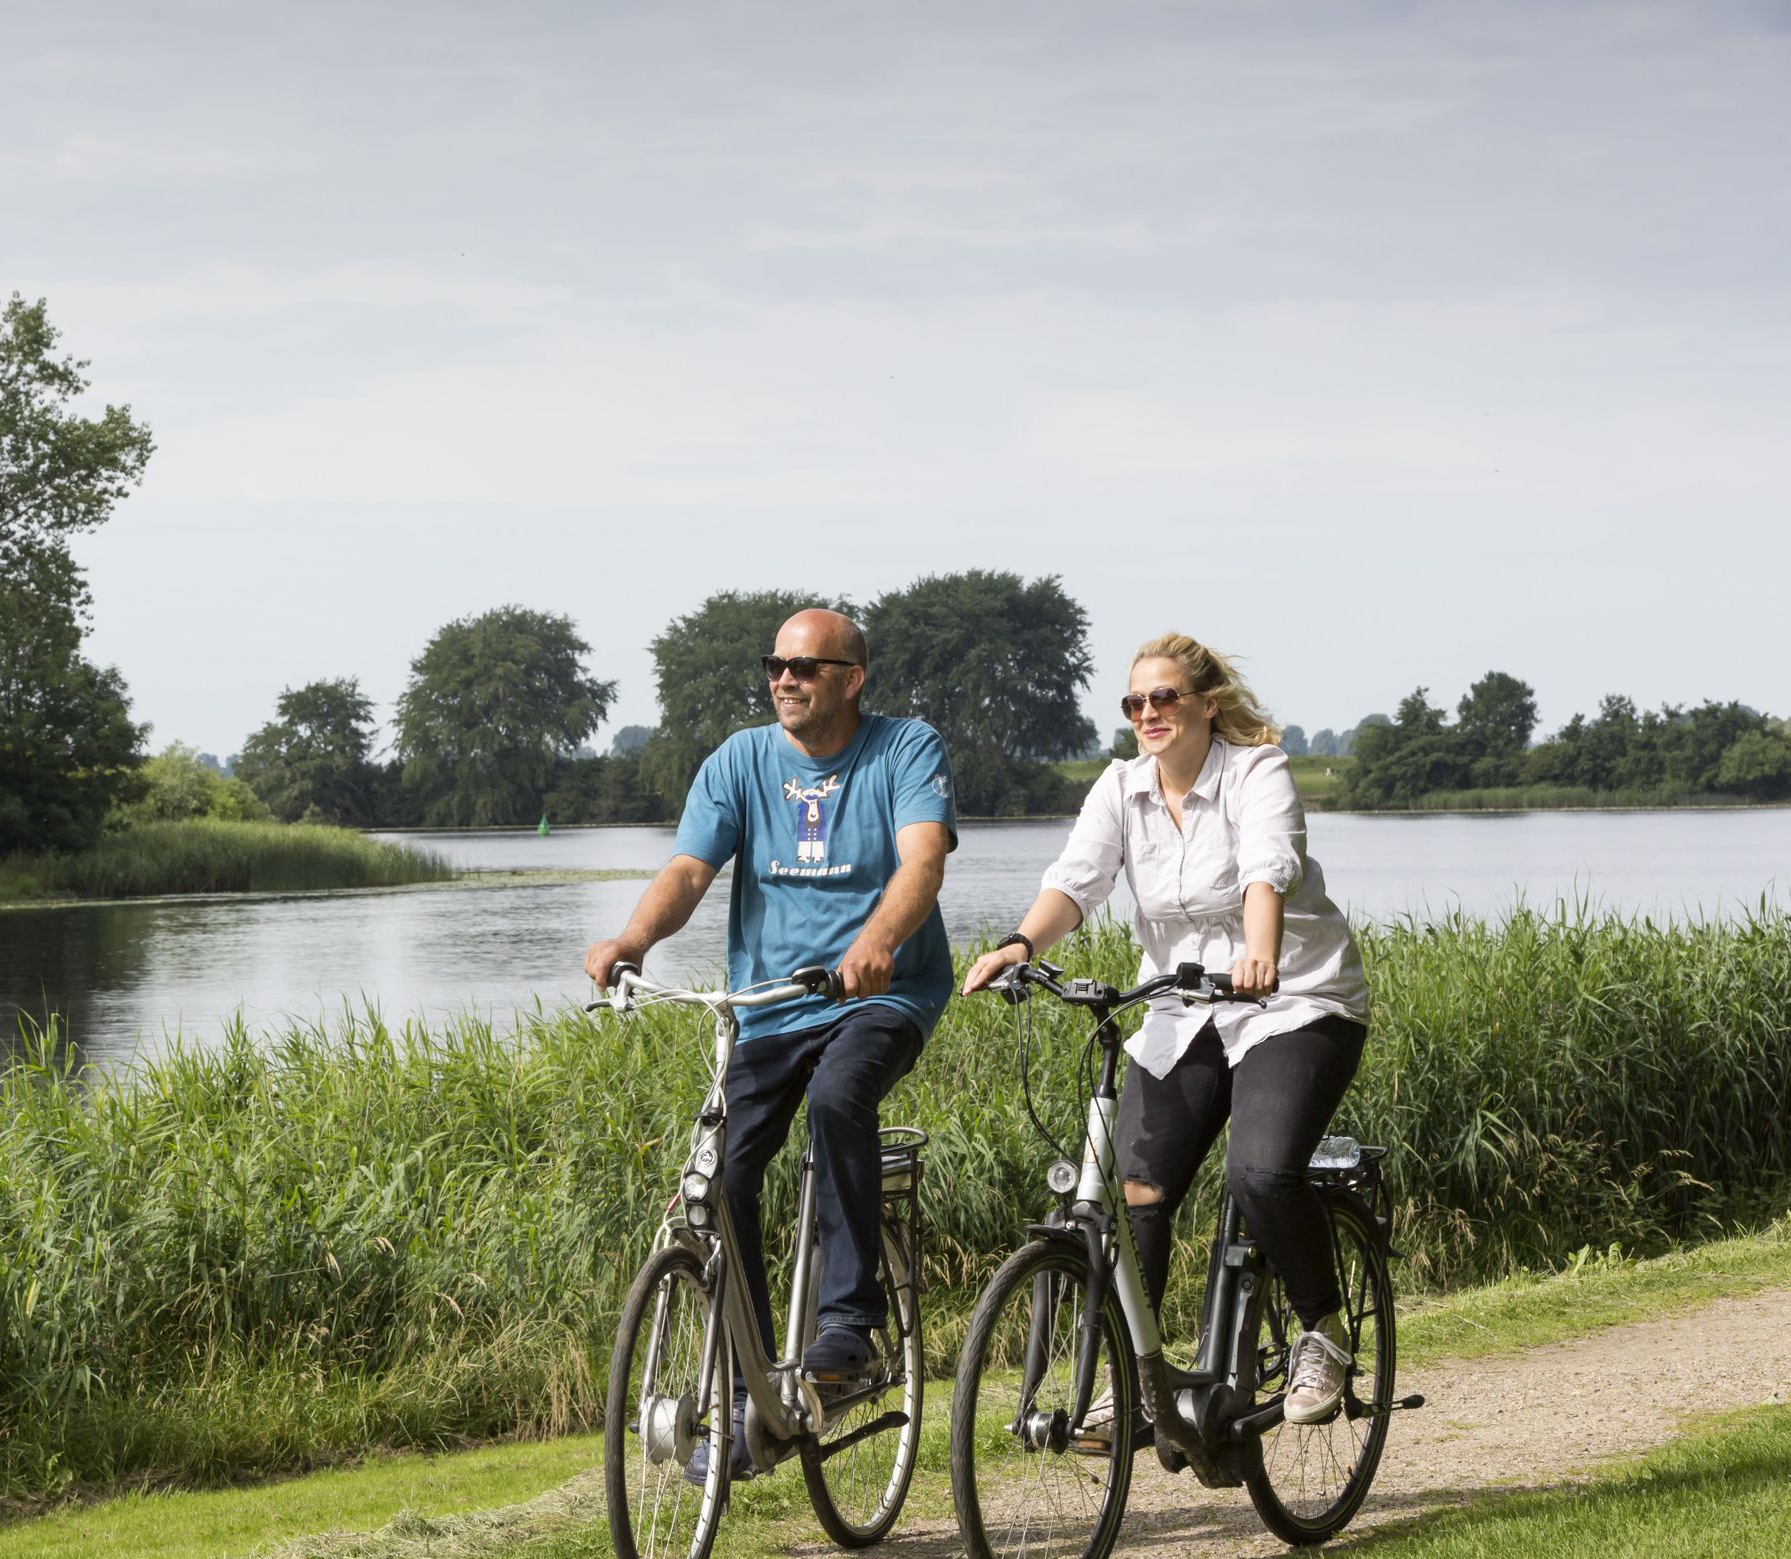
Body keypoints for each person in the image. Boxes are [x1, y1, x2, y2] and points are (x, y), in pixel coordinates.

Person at [960, 632, 1370, 1432]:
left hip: (1294, 1002)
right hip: (1183, 1010)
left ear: (1205, 704)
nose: (1148, 713)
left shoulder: (1258, 771)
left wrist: (1259, 952)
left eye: (1164, 697)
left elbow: (1266, 867)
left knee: (1259, 1173)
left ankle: (1322, 1327)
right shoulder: (1120, 788)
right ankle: (1140, 1382)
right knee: (1136, 1193)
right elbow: (1076, 882)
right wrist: (1017, 945)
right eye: (1135, 702)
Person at [584, 608, 958, 1482]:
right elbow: (687, 871)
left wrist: (876, 942)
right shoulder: (741, 761)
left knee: (838, 1099)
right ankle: (756, 1382)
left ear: (851, 678)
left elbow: (922, 862)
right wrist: (634, 937)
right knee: (726, 1178)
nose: (785, 679)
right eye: (775, 666)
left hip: (880, 993)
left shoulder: (904, 748)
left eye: (806, 667)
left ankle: (847, 1327)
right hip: (769, 1006)